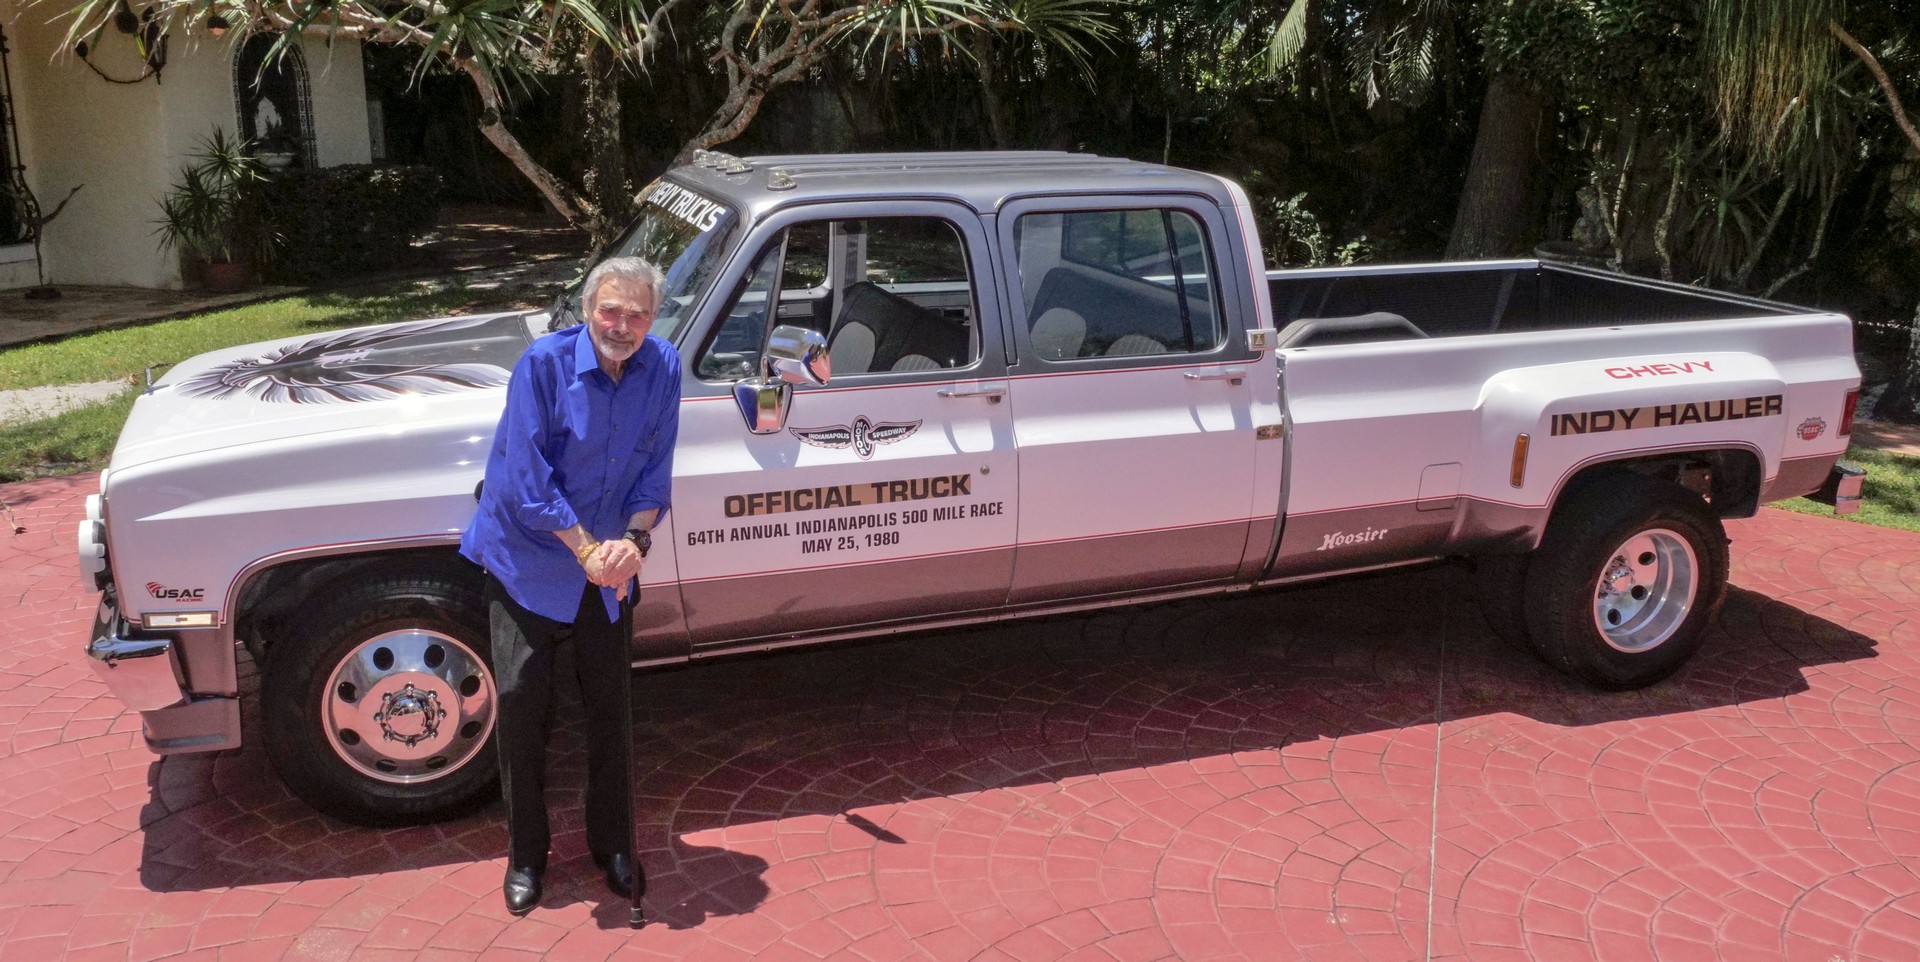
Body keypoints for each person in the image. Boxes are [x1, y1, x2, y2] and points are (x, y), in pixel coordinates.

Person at [460, 256, 681, 916]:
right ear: (588, 309)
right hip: (530, 560)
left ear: (653, 318)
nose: (623, 324)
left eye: (638, 313)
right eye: (611, 310)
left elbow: (655, 473)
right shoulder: (544, 365)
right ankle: (527, 855)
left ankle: (613, 845)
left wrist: (632, 545)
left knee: (611, 708)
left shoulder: (663, 366)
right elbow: (529, 484)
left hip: (608, 565)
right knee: (524, 707)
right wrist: (587, 549)